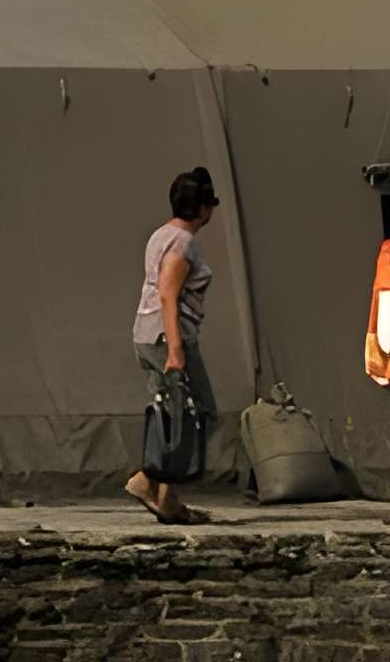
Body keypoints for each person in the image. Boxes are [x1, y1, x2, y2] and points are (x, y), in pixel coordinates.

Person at [125, 165, 218, 523]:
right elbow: (168, 293)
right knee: (198, 412)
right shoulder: (183, 242)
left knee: (173, 416)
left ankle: (168, 499)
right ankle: (147, 481)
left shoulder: (161, 234)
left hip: (148, 334)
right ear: (203, 208)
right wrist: (176, 349)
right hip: (166, 337)